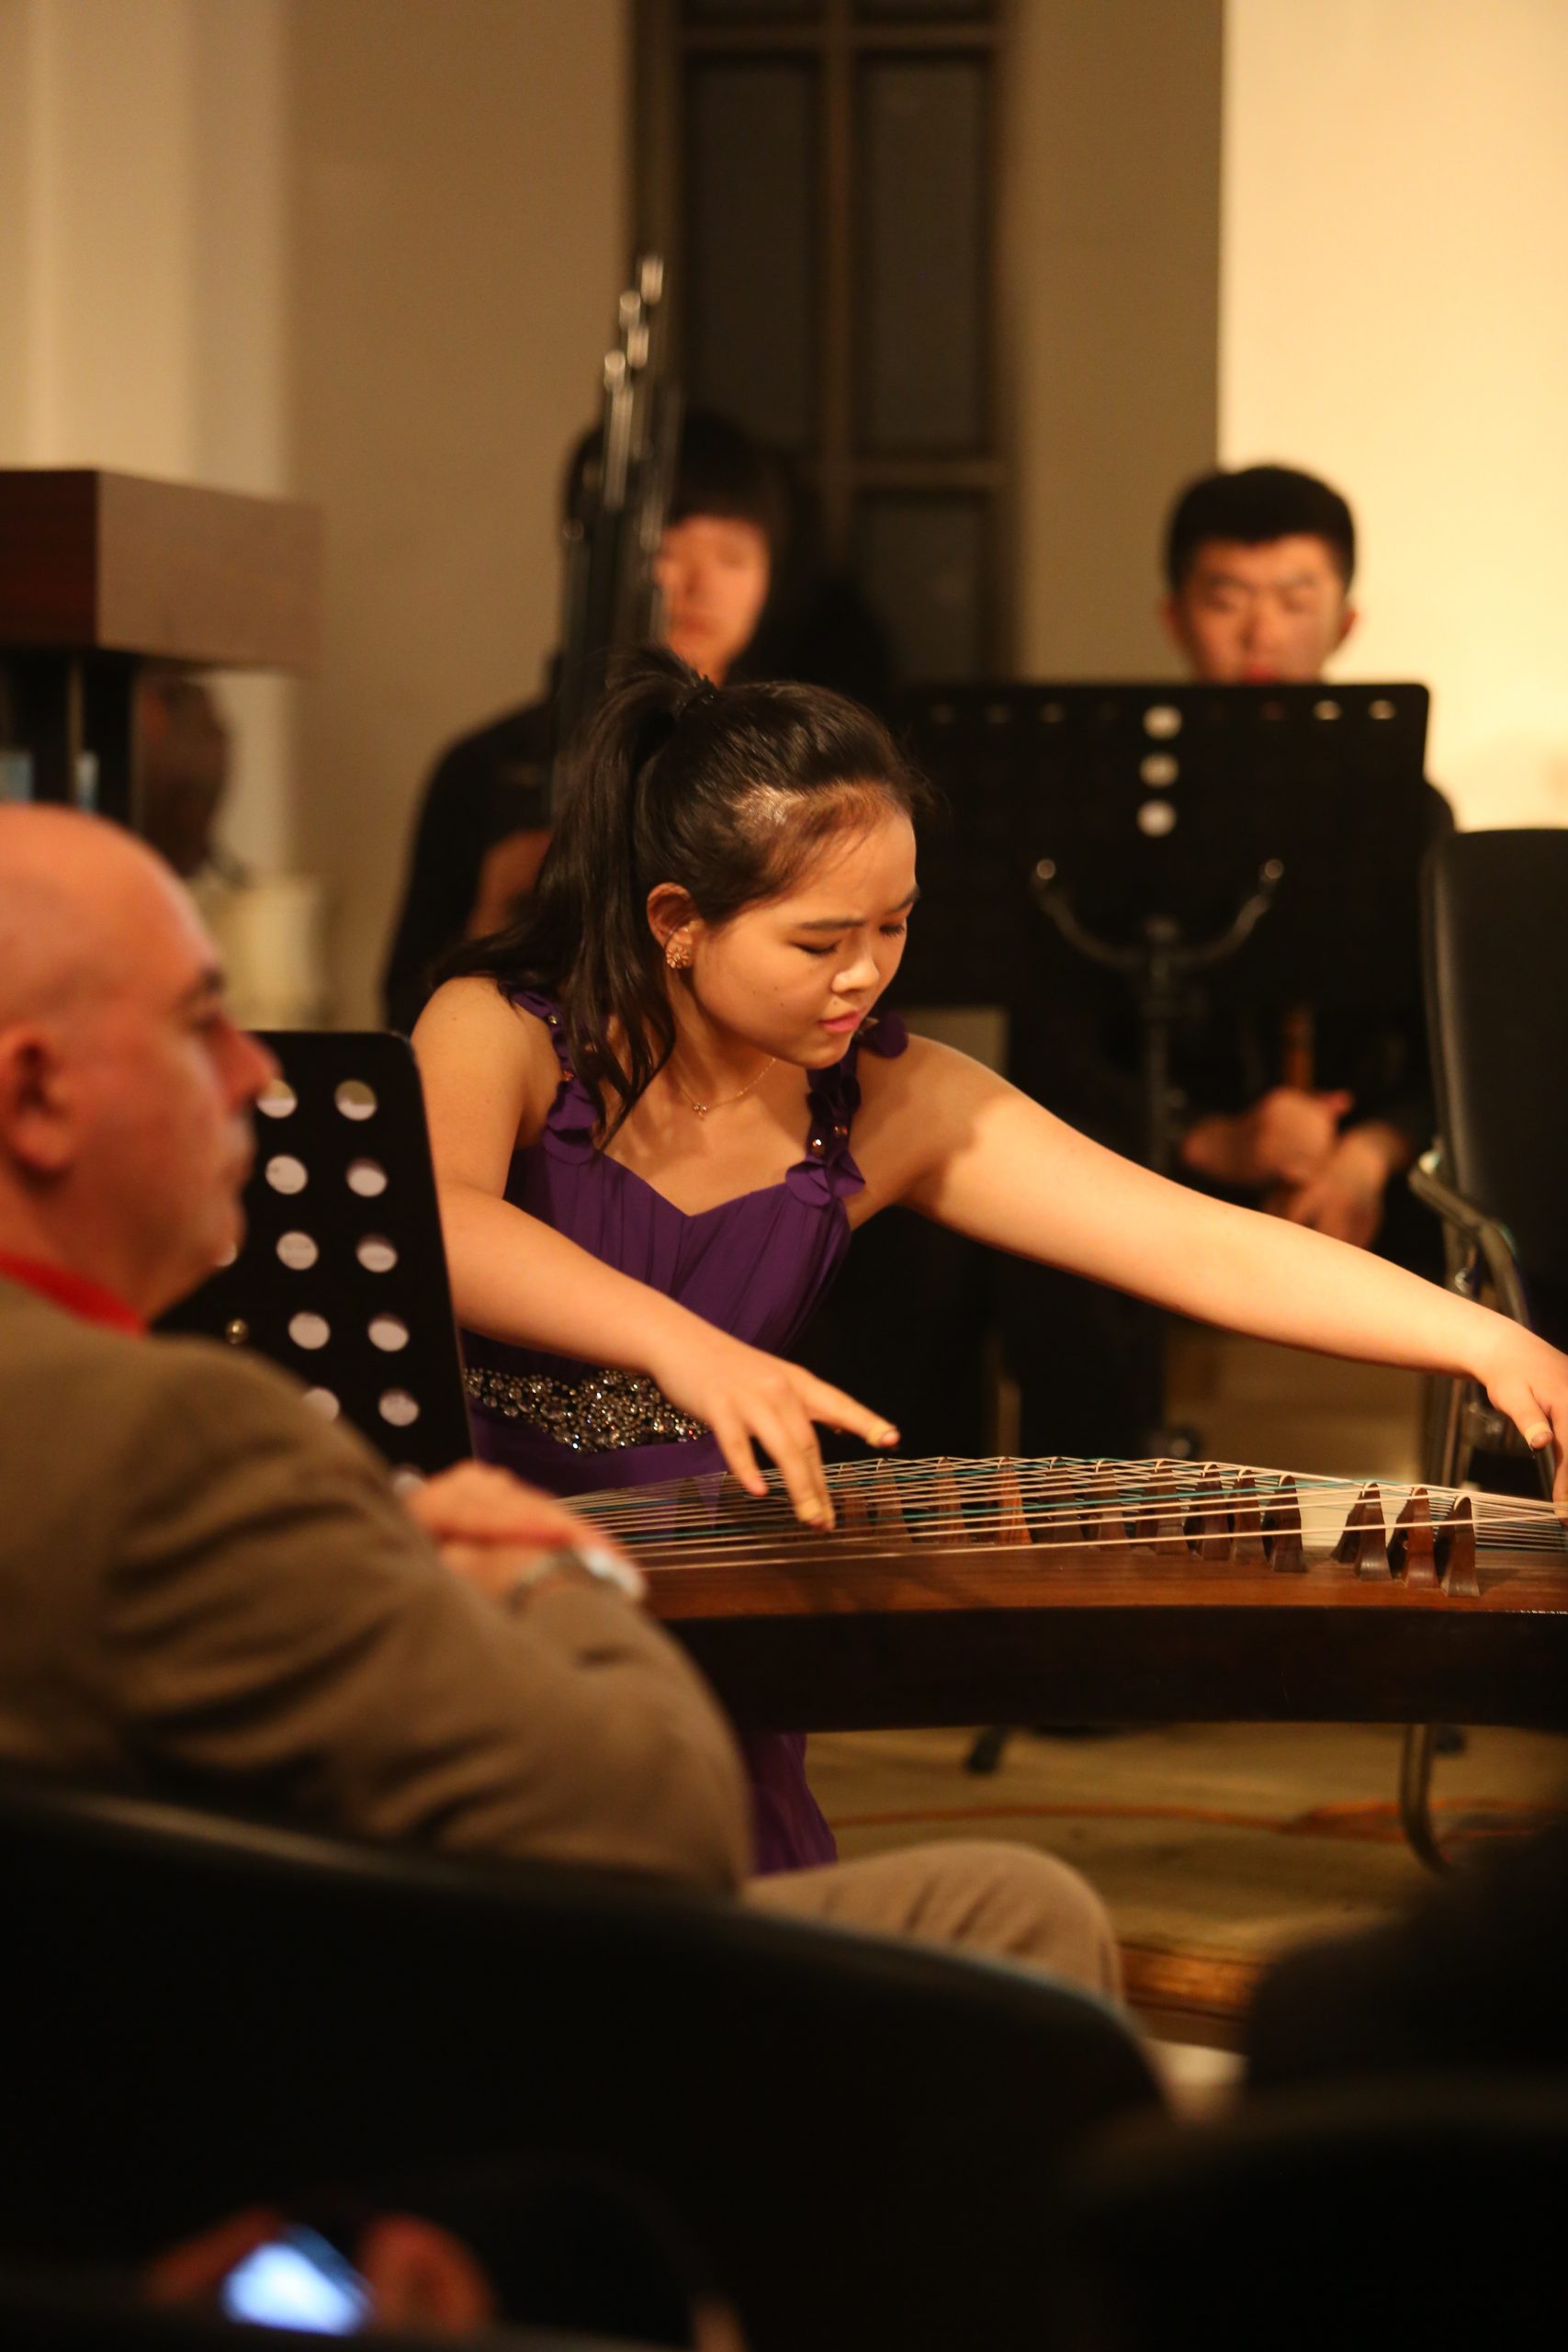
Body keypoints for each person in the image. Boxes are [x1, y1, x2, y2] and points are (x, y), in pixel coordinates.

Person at [413, 650, 1568, 1868]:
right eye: (818, 942)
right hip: (493, 1540)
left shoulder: (885, 1100)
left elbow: (1186, 1239)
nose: (863, 973)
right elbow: (436, 1218)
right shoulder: (502, 1027)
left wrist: (1496, 1343)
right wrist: (681, 1347)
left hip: (721, 1581)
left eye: (894, 925)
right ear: (676, 922)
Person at [0, 800, 1124, 1994]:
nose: (257, 1069)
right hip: (350, 2004)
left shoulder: (879, 1090)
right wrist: (545, 1575)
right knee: (1017, 1916)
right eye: (197, 1024)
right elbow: (653, 1815)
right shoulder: (173, 1435)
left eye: (894, 927)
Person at [382, 410, 889, 1035]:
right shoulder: (483, 767)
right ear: (596, 564)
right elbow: (405, 1026)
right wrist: (493, 917)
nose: (699, 585)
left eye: (732, 557)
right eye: (666, 552)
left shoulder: (802, 771)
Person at [1157, 461, 1450, 1255]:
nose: (1261, 634)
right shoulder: (1119, 809)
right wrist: (1211, 1141)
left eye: (1294, 601)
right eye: (1226, 600)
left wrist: (1367, 1154)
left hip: (1370, 1170)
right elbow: (1060, 1062)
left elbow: (1448, 1044)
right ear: (1174, 616)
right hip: (1161, 1175)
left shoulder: (1409, 809)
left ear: (1344, 621)